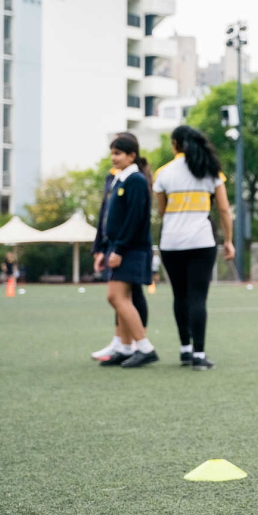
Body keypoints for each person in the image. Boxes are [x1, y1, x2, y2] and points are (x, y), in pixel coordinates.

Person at [152, 125, 236, 371]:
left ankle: (185, 349)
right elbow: (223, 209)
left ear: (175, 144)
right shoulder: (210, 171)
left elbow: (161, 210)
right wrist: (228, 241)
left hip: (171, 242)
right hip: (201, 242)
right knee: (198, 297)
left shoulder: (163, 173)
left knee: (180, 295)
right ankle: (199, 355)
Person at [97, 133, 157, 368]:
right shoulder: (121, 179)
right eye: (112, 153)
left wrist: (119, 249)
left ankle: (144, 347)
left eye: (118, 153)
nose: (113, 158)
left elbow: (135, 218)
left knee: (116, 297)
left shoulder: (136, 180)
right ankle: (123, 348)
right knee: (122, 297)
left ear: (132, 155)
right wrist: (104, 248)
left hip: (131, 249)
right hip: (120, 247)